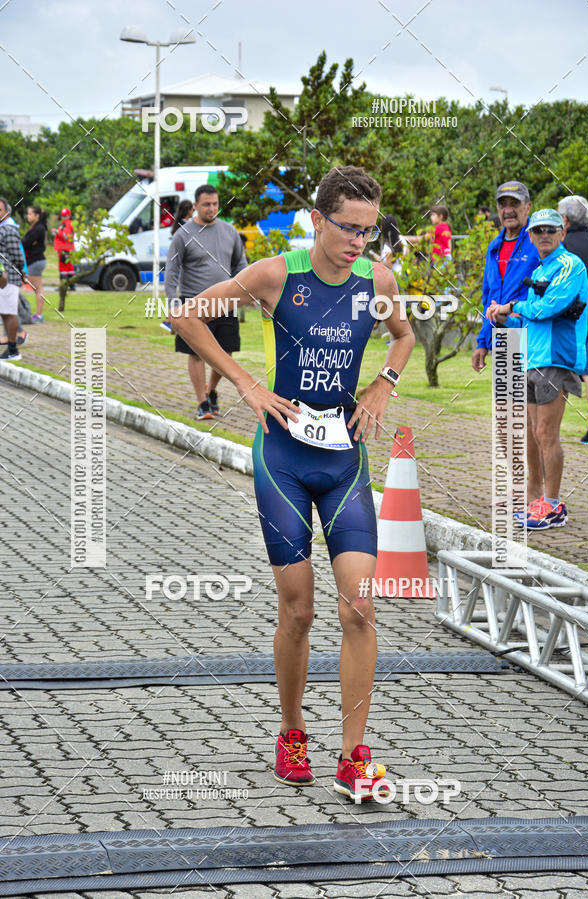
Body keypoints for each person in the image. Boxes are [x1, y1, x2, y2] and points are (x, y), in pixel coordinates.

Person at [171, 165, 415, 802]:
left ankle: (354, 754)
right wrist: (247, 383)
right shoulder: (277, 274)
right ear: (317, 220)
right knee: (300, 609)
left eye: (369, 230)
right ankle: (291, 731)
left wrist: (383, 385)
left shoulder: (378, 279)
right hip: (281, 455)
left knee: (360, 605)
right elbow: (188, 317)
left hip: (346, 457)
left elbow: (404, 334)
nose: (359, 241)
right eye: (348, 228)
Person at [488, 209, 588, 529]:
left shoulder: (571, 265)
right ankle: (535, 499)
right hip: (531, 357)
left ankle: (554, 504)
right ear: (531, 236)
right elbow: (534, 316)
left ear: (562, 233)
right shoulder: (542, 268)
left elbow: (549, 308)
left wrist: (512, 306)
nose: (544, 235)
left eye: (550, 229)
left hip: (556, 359)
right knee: (533, 433)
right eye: (538, 231)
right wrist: (507, 316)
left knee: (547, 434)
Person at [165, 184, 247, 420]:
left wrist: (245, 292)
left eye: (215, 204)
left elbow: (240, 266)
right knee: (197, 353)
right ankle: (202, 402)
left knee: (225, 352)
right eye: (206, 205)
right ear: (196, 206)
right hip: (194, 303)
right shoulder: (183, 234)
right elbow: (171, 272)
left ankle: (211, 392)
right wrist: (173, 305)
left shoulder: (229, 231)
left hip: (225, 301)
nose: (212, 209)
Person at [472, 181, 539, 375]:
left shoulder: (539, 242)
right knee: (507, 404)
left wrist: (522, 311)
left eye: (514, 204)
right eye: (503, 205)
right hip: (503, 337)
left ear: (528, 207)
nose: (508, 210)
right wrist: (482, 342)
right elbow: (488, 299)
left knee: (532, 403)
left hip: (531, 336)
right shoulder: (494, 247)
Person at [558, 195, 588, 445]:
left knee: (557, 370)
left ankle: (550, 427)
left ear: (564, 218)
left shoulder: (561, 247)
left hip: (569, 318)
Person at [160, 200, 194, 334]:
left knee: (182, 298)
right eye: (192, 209)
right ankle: (170, 321)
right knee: (185, 298)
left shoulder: (178, 225)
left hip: (178, 262)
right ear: (189, 211)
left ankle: (169, 321)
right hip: (184, 263)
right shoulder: (187, 227)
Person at [0, 198, 28, 345]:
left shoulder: (9, 227)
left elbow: (17, 253)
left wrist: (22, 271)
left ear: (7, 212)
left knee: (9, 309)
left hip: (10, 275)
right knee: (7, 308)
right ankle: (16, 335)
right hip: (4, 275)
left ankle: (14, 341)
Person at [22, 205, 47, 322]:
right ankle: (38, 314)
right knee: (37, 289)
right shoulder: (35, 227)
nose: (28, 216)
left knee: (38, 290)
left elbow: (26, 243)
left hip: (36, 261)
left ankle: (39, 315)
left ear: (37, 216)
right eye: (28, 214)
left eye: (30, 214)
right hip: (35, 261)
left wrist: (27, 243)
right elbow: (27, 242)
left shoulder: (39, 228)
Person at [53, 208, 75, 289]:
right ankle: (71, 286)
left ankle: (63, 286)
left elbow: (67, 236)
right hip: (65, 248)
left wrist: (57, 232)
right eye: (62, 216)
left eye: (64, 216)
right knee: (69, 268)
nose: (63, 217)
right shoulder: (64, 224)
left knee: (63, 268)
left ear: (69, 216)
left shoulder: (68, 224)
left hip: (65, 249)